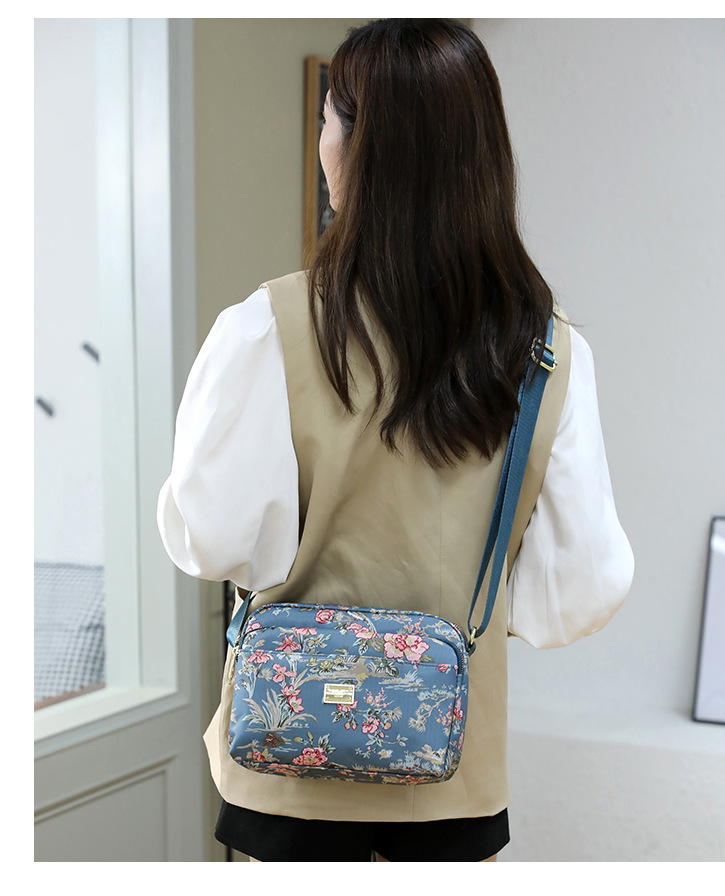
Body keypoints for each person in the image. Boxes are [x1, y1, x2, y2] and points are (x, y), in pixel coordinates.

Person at [157, 18, 634, 863]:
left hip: (289, 763)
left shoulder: (267, 329)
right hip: (451, 771)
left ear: (355, 147)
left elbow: (209, 540)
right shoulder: (547, 349)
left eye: (328, 122)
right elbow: (581, 588)